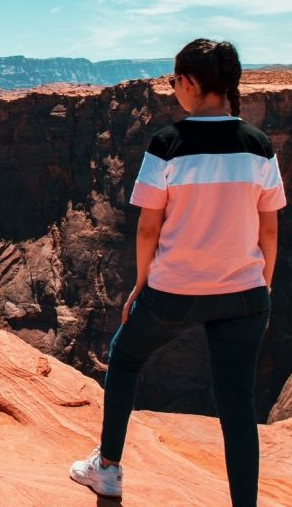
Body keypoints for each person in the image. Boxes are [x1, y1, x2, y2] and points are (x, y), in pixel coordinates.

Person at [68, 38, 286, 506]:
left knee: (124, 359)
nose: (173, 90)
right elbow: (269, 227)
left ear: (189, 83)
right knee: (237, 406)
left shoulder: (168, 144)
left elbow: (149, 228)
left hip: (175, 290)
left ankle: (107, 471)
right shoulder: (259, 145)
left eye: (173, 81)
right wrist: (262, 285)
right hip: (245, 293)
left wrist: (143, 283)